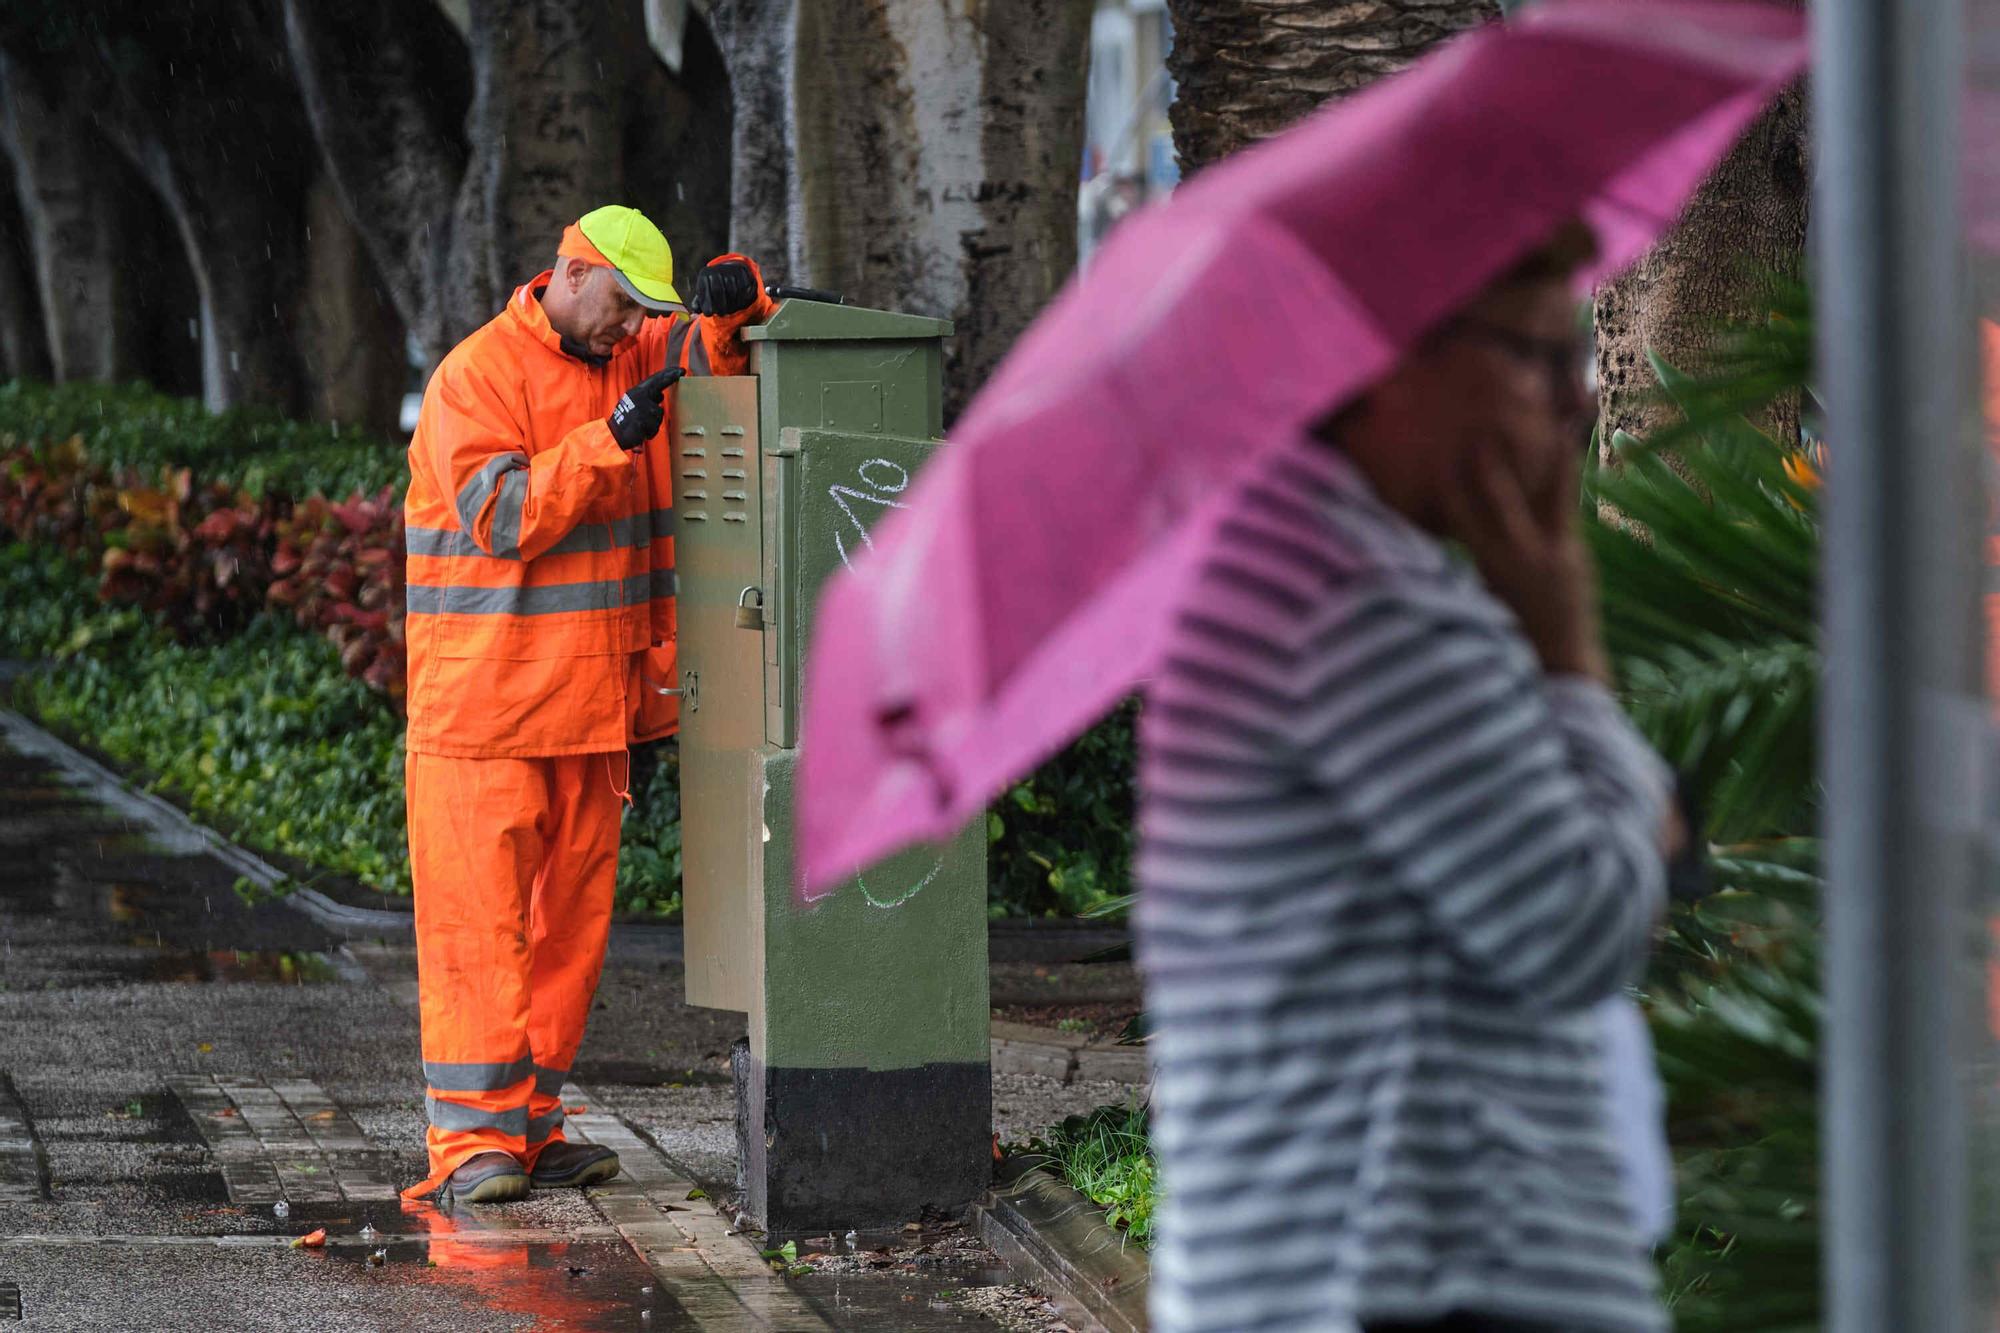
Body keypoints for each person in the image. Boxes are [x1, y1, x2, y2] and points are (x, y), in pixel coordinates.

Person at [1135, 222, 1686, 1332]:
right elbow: (1580, 923)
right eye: (1536, 358)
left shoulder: (1302, 563)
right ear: (1391, 358)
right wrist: (1566, 647)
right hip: (1417, 1278)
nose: (1573, 401)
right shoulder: (1355, 606)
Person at [399, 205, 776, 1205]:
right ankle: (471, 1147)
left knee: (566, 940)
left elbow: (712, 350)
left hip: (589, 714)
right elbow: (503, 514)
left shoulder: (625, 349)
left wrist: (738, 300)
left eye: (641, 312)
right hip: (483, 720)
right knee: (481, 937)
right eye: (620, 304)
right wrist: (609, 440)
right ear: (569, 274)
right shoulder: (475, 377)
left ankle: (526, 1126)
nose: (629, 327)